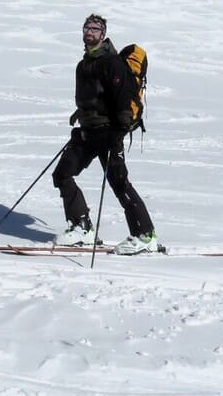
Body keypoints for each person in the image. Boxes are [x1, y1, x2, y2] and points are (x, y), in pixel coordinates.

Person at [51, 13, 157, 255]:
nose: (90, 31)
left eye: (95, 28)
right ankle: (82, 228)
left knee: (119, 183)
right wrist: (80, 113)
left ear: (103, 34)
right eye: (86, 27)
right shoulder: (84, 64)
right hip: (88, 132)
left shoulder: (112, 63)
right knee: (63, 174)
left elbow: (121, 100)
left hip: (109, 133)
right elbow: (93, 97)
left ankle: (145, 235)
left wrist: (118, 131)